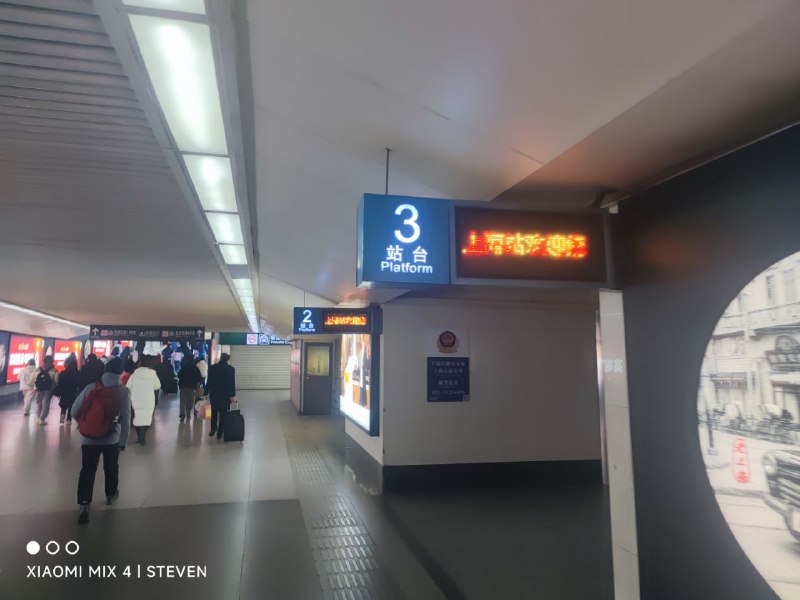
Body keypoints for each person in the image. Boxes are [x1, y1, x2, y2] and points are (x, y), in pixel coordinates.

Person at [72, 357, 131, 524]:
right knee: (111, 467)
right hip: (111, 439)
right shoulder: (123, 391)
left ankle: (84, 503)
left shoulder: (92, 387)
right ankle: (111, 495)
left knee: (87, 470)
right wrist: (123, 440)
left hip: (89, 439)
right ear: (121, 372)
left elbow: (75, 410)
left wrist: (85, 424)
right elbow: (126, 418)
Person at [126, 355, 160, 444]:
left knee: (136, 418)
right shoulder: (153, 373)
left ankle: (139, 436)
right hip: (148, 399)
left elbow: (128, 386)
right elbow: (157, 386)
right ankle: (142, 437)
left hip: (136, 399)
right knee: (146, 418)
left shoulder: (135, 373)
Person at [206, 353, 236, 440]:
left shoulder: (212, 368)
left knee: (213, 412)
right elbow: (232, 383)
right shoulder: (231, 369)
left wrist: (205, 393)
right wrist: (233, 395)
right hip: (225, 395)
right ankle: (220, 432)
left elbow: (209, 381)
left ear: (220, 358)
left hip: (214, 394)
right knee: (223, 414)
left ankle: (213, 428)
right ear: (227, 360)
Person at [33, 355, 59, 426]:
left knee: (39, 403)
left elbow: (33, 379)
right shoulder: (54, 370)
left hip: (38, 389)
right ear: (52, 362)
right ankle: (42, 418)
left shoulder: (38, 370)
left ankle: (39, 417)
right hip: (48, 389)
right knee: (46, 403)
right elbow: (56, 380)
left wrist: (35, 387)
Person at [177, 355, 202, 423]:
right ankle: (188, 412)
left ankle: (182, 413)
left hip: (183, 386)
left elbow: (178, 375)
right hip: (192, 386)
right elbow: (199, 377)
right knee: (190, 400)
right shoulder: (195, 368)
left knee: (182, 401)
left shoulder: (184, 367)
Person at [55, 360, 80, 424]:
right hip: (73, 391)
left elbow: (60, 381)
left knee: (64, 404)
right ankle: (69, 419)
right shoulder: (77, 373)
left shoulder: (63, 372)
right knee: (71, 405)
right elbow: (78, 382)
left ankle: (62, 414)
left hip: (64, 391)